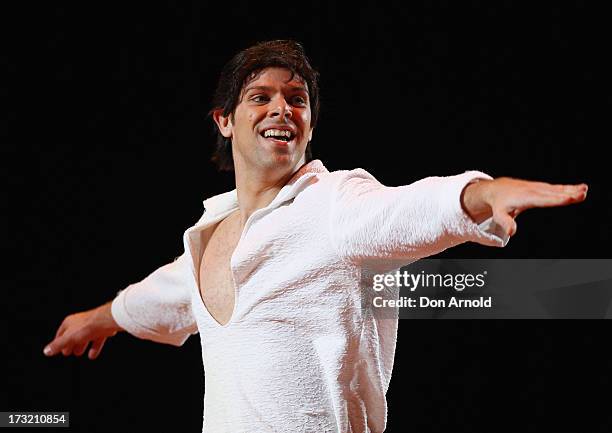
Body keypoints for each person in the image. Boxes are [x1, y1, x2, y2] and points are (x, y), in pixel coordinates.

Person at [43, 40, 588, 433]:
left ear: (308, 122)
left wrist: (481, 195)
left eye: (296, 99)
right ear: (224, 120)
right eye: (261, 97)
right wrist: (99, 318)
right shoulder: (208, 235)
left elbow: (406, 209)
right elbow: (165, 294)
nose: (282, 107)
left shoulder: (333, 205)